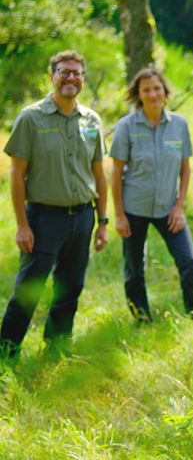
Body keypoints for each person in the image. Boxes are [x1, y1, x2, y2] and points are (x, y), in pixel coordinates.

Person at [1, 50, 109, 359]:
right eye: (64, 71)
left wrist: (102, 222)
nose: (71, 77)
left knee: (70, 285)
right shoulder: (31, 118)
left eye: (77, 72)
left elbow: (99, 173)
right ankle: (7, 352)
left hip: (83, 217)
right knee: (29, 289)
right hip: (44, 219)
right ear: (52, 76)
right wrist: (22, 225)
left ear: (83, 79)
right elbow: (17, 173)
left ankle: (57, 344)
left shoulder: (92, 120)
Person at [110, 68, 193, 322]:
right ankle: (141, 316)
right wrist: (119, 215)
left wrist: (179, 207)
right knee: (134, 268)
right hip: (133, 209)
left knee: (189, 262)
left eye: (156, 88)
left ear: (165, 91)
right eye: (146, 90)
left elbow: (185, 169)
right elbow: (116, 172)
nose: (152, 94)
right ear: (138, 95)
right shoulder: (126, 127)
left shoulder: (180, 125)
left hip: (168, 209)